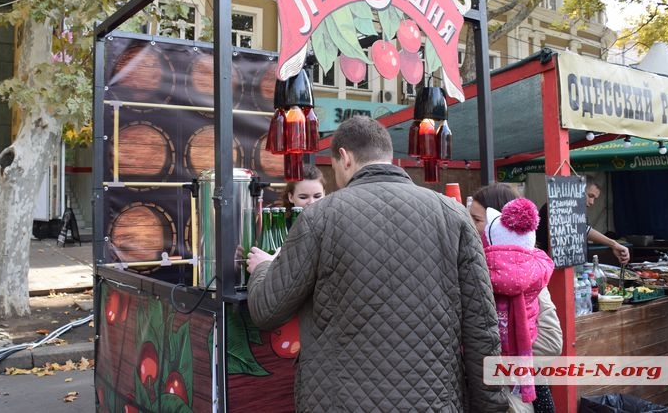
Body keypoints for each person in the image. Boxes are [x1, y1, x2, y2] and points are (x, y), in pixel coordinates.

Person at [247, 116, 507, 412]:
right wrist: (491, 406)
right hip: (436, 401)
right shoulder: (455, 215)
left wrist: (263, 268)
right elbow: (482, 329)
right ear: (389, 156)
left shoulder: (319, 218)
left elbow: (268, 310)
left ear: (344, 158)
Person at [470, 183, 562, 413]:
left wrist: (502, 348)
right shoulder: (473, 267)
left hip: (512, 398)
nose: (470, 227)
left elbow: (551, 344)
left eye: (477, 220)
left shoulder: (528, 274)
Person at [534, 175, 630, 265]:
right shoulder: (559, 206)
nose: (592, 202)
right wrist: (614, 244)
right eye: (590, 196)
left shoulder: (571, 209)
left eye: (595, 199)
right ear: (579, 190)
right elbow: (583, 229)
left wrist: (613, 244)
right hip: (544, 265)